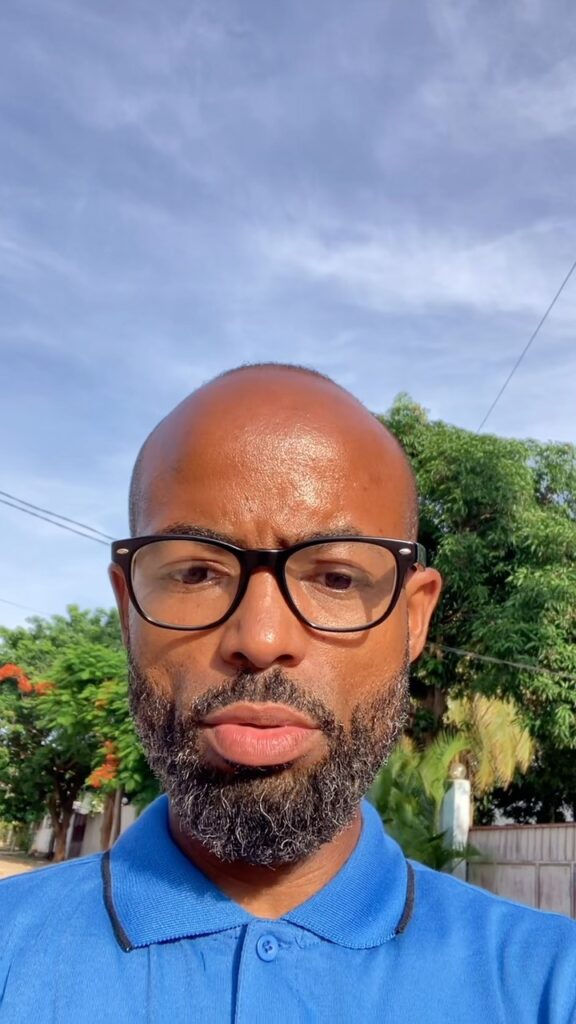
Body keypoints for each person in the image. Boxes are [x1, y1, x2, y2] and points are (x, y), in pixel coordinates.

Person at [1, 363, 575, 1024]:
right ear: (128, 608)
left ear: (414, 619)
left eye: (335, 578)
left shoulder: (548, 985)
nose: (262, 638)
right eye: (196, 572)